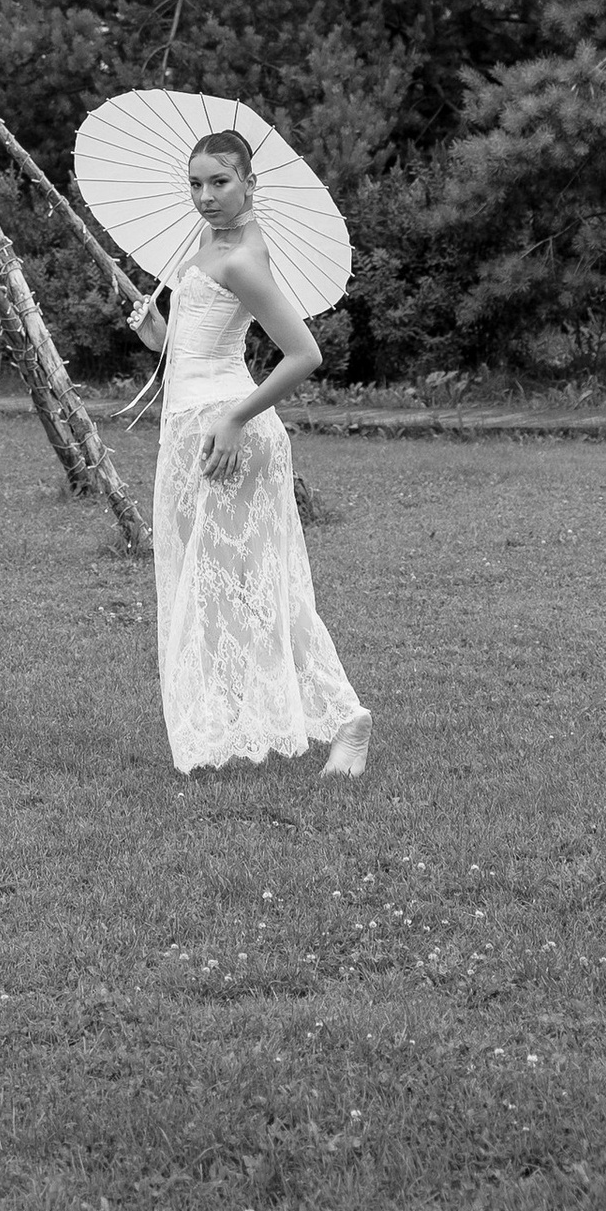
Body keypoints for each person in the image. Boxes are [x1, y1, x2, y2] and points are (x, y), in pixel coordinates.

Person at [118, 129, 369, 779]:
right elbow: (201, 348)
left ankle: (345, 717)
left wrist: (234, 418)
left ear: (251, 183)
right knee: (218, 585)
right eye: (196, 184)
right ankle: (236, 716)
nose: (206, 196)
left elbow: (305, 355)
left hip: (225, 432)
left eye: (220, 182)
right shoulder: (213, 244)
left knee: (249, 584)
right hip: (191, 422)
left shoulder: (242, 258)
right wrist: (158, 336)